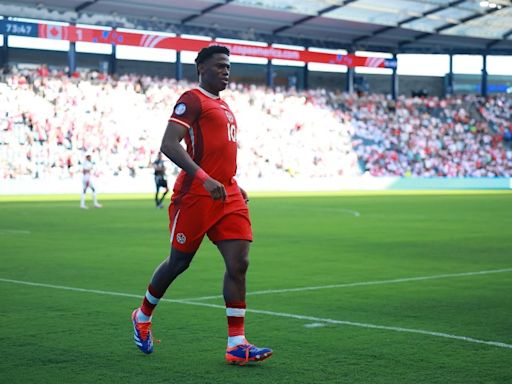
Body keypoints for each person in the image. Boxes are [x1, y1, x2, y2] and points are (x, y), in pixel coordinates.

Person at [131, 45, 272, 365]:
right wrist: (205, 177)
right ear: (201, 69)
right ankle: (142, 315)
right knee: (179, 263)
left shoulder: (224, 106)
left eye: (228, 67)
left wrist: (230, 181)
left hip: (228, 193)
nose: (226, 71)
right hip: (195, 194)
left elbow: (219, 152)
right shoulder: (191, 99)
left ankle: (237, 343)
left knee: (239, 262)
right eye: (220, 66)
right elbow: (168, 144)